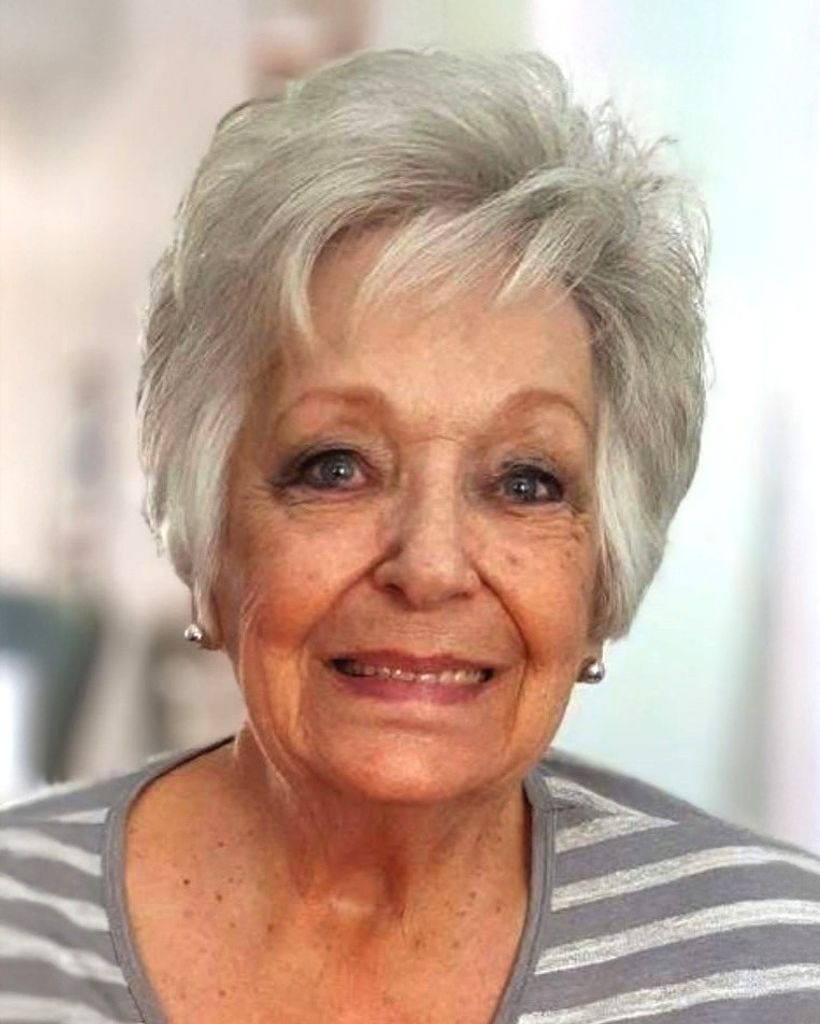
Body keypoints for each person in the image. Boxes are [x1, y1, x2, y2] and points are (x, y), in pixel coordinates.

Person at [1, 49, 819, 1024]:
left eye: (525, 482)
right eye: (336, 467)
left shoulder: (777, 967)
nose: (429, 567)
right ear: (211, 535)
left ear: (602, 577)